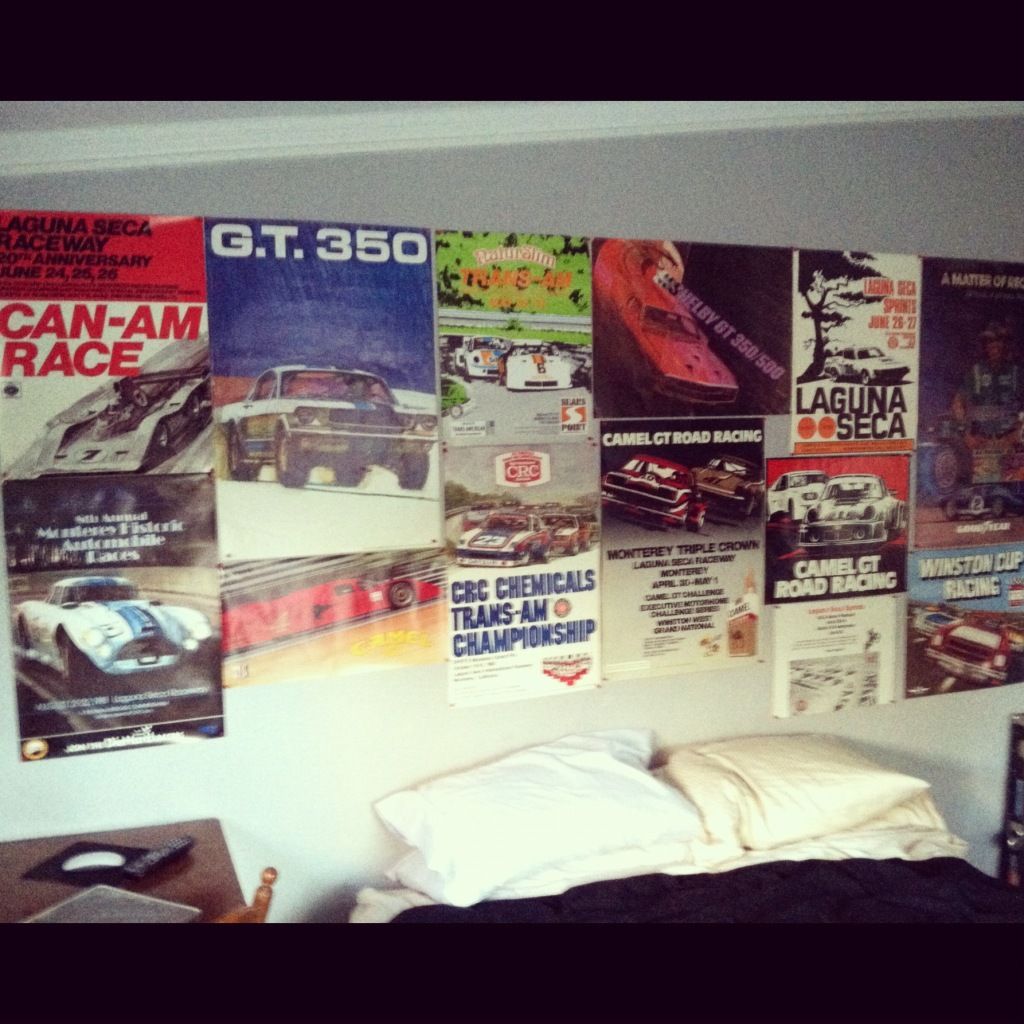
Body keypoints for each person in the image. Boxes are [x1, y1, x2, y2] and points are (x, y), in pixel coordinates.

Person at [951, 321, 1023, 439]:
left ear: (1006, 344)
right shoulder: (975, 372)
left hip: (1010, 439)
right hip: (980, 440)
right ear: (985, 346)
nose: (995, 345)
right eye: (990, 341)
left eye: (999, 340)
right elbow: (958, 403)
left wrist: (1019, 432)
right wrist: (965, 431)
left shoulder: (1017, 373)